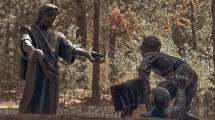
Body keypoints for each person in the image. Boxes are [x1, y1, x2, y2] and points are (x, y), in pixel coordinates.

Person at [18, 4, 104, 114]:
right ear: (41, 14)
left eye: (54, 17)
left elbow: (70, 48)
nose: (52, 19)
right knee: (30, 103)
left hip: (52, 75)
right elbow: (25, 41)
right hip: (36, 73)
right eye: (49, 15)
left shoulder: (57, 35)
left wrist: (87, 53)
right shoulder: (29, 29)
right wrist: (31, 50)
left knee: (50, 107)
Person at [138, 36, 198, 119]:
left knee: (159, 92)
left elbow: (142, 70)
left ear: (147, 47)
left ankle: (153, 112)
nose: (141, 48)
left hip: (181, 71)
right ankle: (183, 114)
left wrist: (146, 90)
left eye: (142, 46)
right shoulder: (157, 55)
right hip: (190, 71)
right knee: (184, 93)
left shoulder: (151, 54)